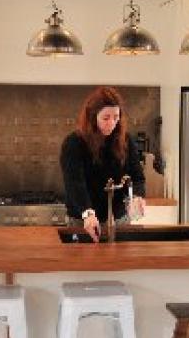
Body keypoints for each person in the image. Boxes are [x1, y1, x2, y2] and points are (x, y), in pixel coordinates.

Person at [60, 86, 146, 242]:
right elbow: (74, 183)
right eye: (106, 118)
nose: (112, 123)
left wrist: (137, 197)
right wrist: (87, 213)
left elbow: (137, 176)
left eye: (116, 117)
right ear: (93, 117)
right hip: (84, 220)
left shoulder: (125, 140)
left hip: (120, 219)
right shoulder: (74, 142)